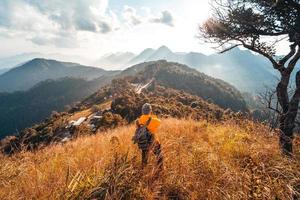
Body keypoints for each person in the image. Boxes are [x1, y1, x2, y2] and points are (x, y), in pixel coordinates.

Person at [133, 103, 163, 169]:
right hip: (153, 142)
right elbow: (160, 122)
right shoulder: (154, 120)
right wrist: (152, 116)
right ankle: (160, 170)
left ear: (142, 111)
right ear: (150, 111)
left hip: (144, 143)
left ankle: (143, 169)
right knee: (159, 156)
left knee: (144, 159)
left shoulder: (138, 121)